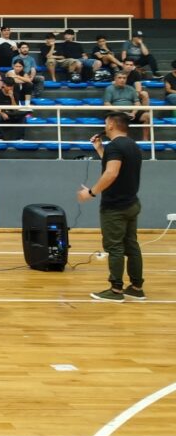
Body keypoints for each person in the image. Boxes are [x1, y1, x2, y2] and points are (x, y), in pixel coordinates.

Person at [77, 112, 145, 302]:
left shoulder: (115, 146)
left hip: (115, 207)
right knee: (132, 246)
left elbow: (111, 173)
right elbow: (115, 167)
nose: (105, 126)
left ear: (112, 125)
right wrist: (100, 149)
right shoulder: (132, 145)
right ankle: (137, 288)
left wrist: (91, 192)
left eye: (106, 123)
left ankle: (115, 290)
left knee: (114, 247)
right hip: (131, 203)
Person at [103, 71, 150, 141]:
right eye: (119, 78)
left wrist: (133, 113)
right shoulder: (109, 89)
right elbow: (107, 103)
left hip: (131, 112)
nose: (122, 80)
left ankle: (145, 140)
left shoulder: (131, 89)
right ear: (115, 79)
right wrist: (120, 112)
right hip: (116, 112)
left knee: (147, 116)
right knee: (117, 117)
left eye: (124, 78)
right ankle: (117, 140)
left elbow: (137, 103)